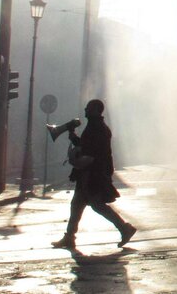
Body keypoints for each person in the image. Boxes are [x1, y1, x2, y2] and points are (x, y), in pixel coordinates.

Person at [51, 99, 137, 249]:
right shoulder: (94, 127)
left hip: (92, 174)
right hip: (88, 172)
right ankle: (69, 237)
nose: (85, 110)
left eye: (88, 108)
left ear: (96, 110)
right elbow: (87, 147)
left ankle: (125, 228)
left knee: (97, 206)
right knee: (77, 205)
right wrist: (75, 138)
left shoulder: (97, 128)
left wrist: (77, 150)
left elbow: (91, 152)